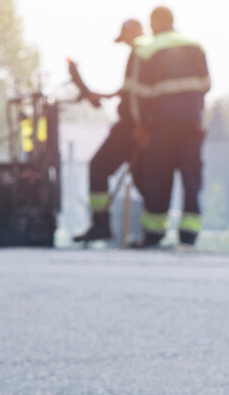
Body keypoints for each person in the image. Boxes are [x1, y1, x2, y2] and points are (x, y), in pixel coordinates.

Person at [129, 7, 210, 250]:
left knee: (158, 179)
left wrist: (141, 126)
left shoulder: (147, 49)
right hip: (191, 124)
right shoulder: (195, 45)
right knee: (191, 179)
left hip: (162, 126)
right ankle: (188, 237)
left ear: (153, 23)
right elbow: (206, 85)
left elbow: (140, 94)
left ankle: (154, 234)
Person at [72, 19, 148, 245]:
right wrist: (104, 96)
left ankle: (101, 224)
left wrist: (139, 124)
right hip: (138, 125)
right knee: (143, 178)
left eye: (125, 38)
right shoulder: (142, 54)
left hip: (131, 127)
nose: (125, 43)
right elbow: (129, 90)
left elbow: (136, 94)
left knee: (98, 167)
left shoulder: (140, 52)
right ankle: (151, 233)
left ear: (133, 32)